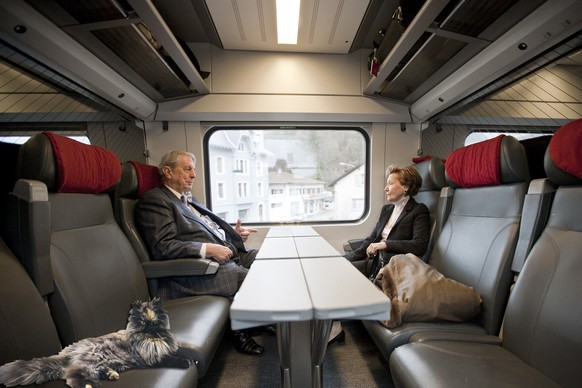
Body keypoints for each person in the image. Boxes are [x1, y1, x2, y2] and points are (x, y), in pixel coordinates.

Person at [135, 150, 266, 355]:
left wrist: (234, 236)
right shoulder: (156, 200)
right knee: (254, 280)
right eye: (187, 169)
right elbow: (163, 246)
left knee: (268, 260)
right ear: (168, 171)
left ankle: (263, 320)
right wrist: (208, 249)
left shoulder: (188, 198)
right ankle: (240, 329)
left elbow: (206, 230)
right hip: (193, 272)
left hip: (226, 254)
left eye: (194, 170)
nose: (194, 175)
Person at [329, 164, 430, 346]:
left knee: (340, 275)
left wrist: (385, 244)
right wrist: (345, 259)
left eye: (391, 183)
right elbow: (371, 239)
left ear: (406, 187)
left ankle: (334, 330)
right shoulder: (387, 209)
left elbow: (419, 245)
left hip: (390, 266)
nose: (386, 188)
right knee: (336, 269)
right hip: (373, 260)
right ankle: (333, 328)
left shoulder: (418, 211)